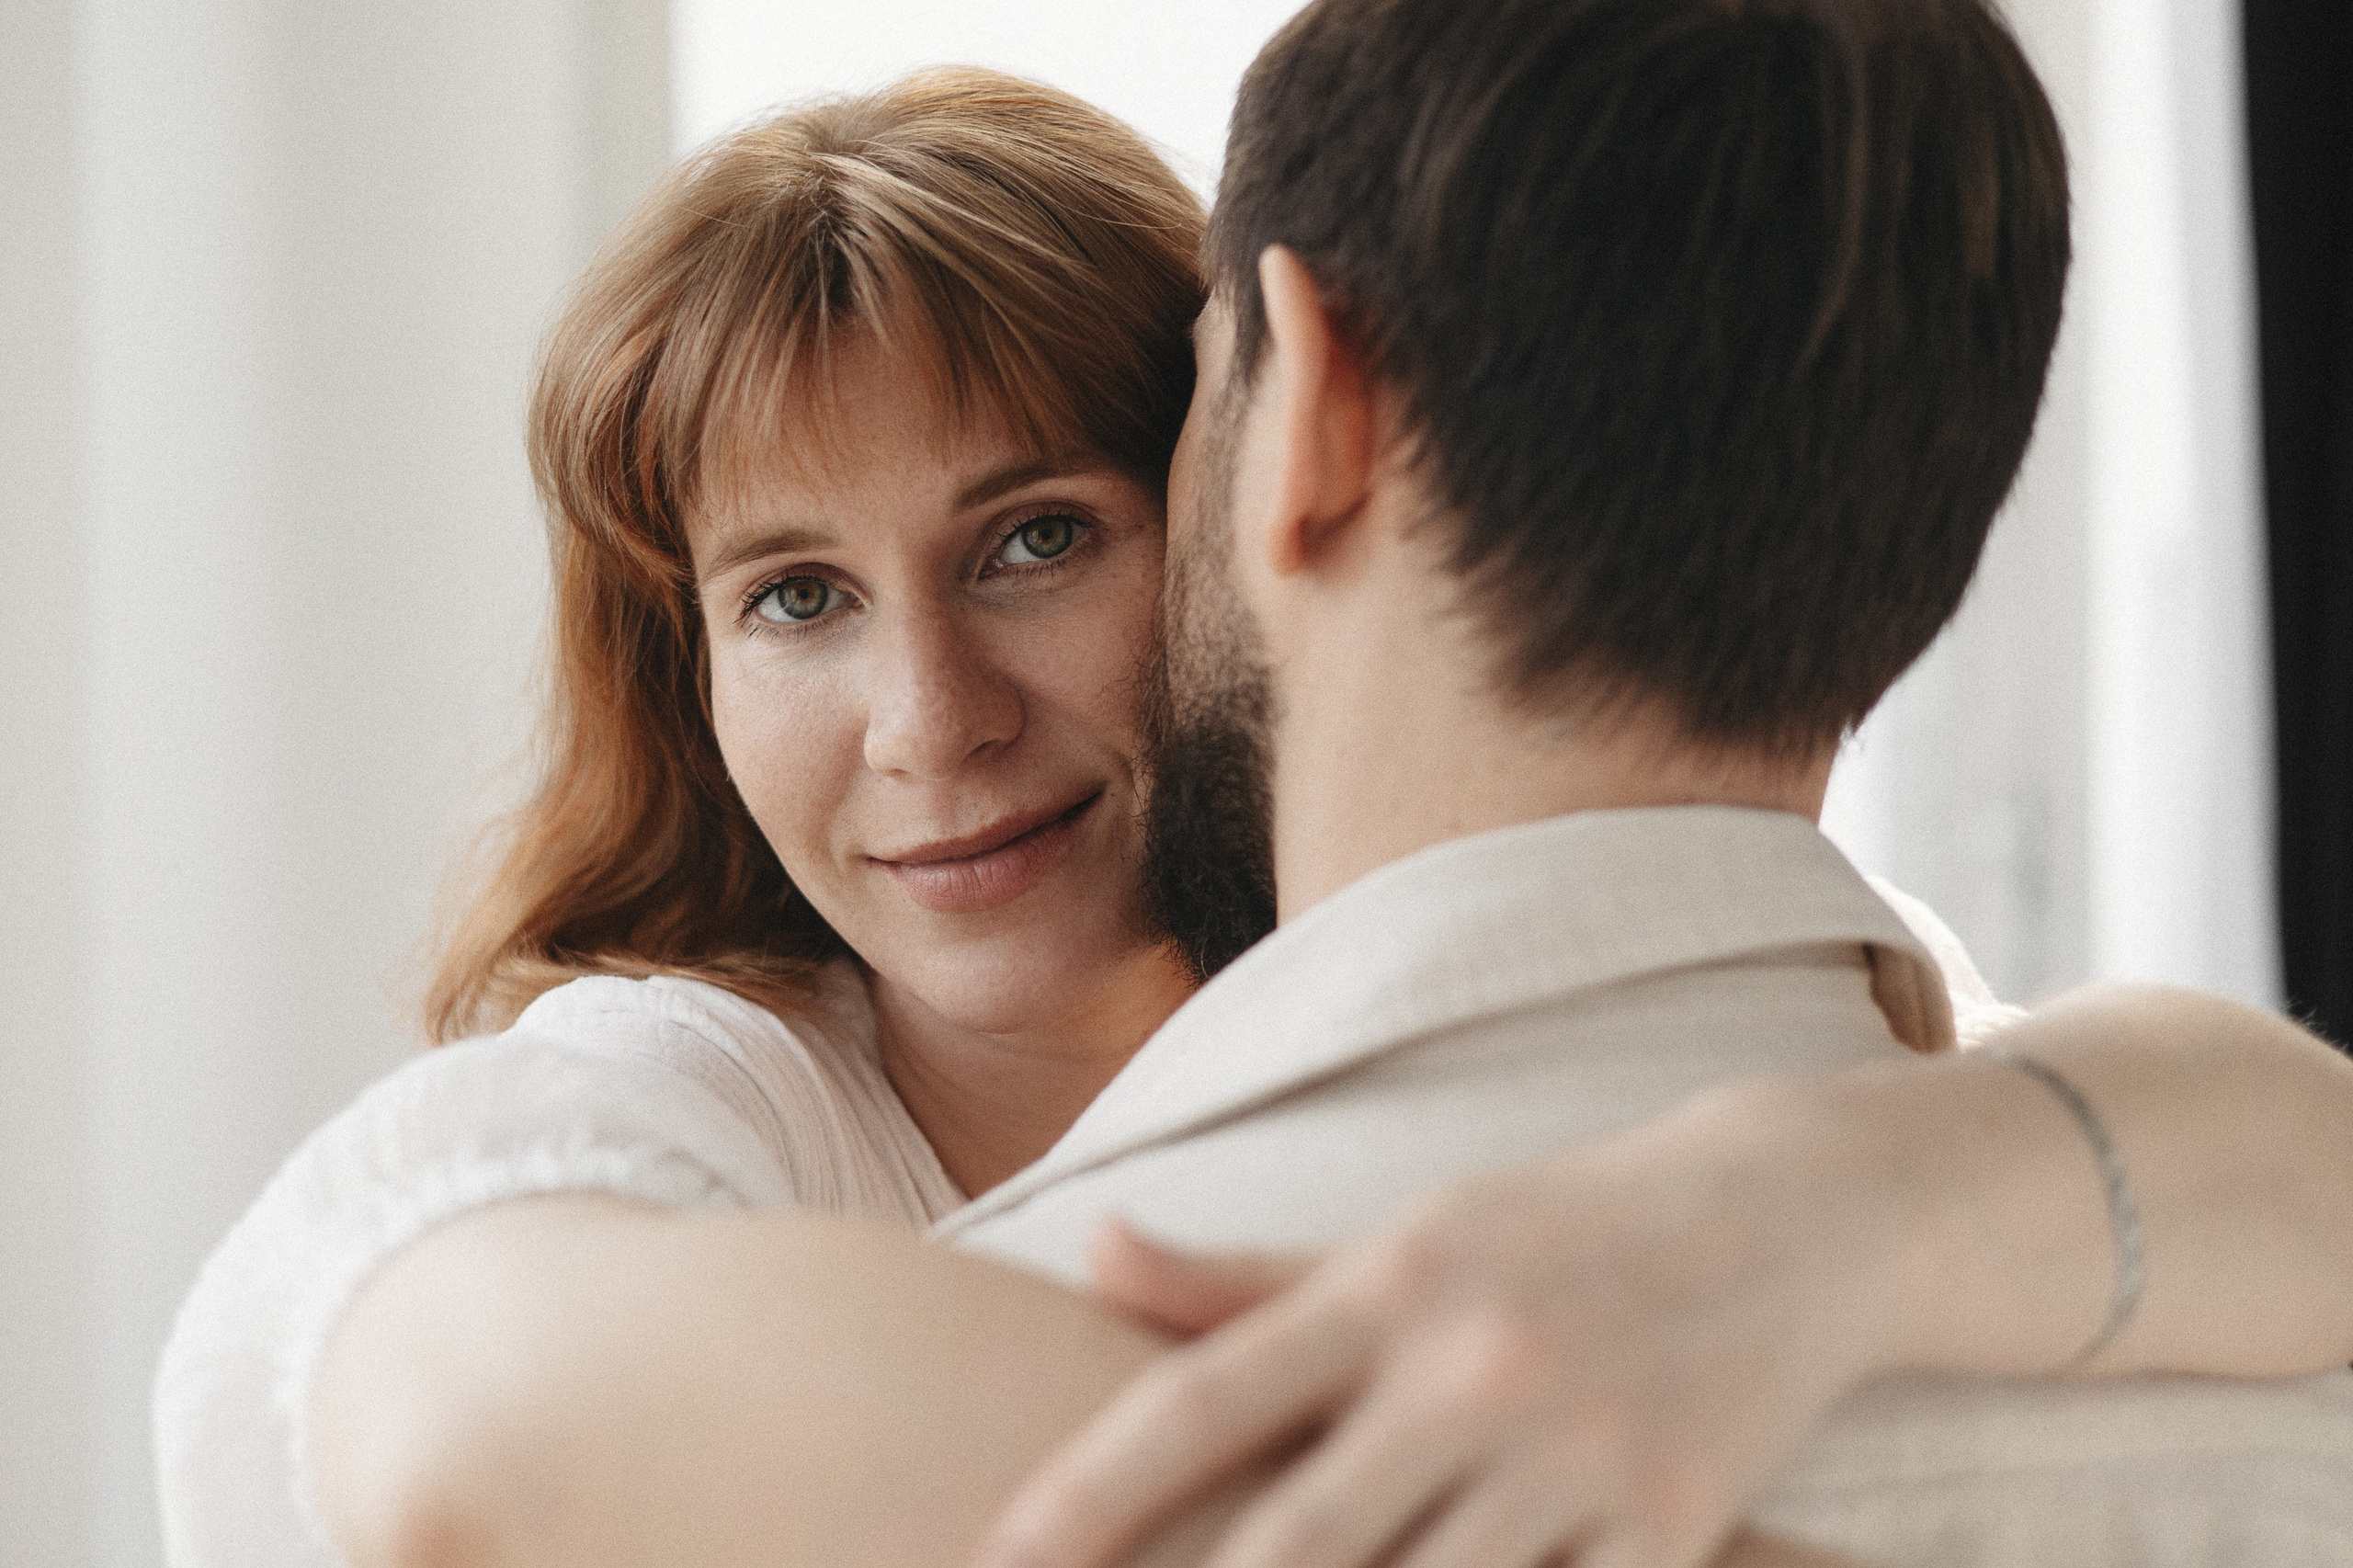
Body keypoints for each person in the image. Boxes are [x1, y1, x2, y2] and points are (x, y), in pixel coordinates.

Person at [154, 48, 2353, 1568]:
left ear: (1242, 478)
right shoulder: (701, 1097)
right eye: (796, 596)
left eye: (1034, 538)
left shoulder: (1695, 998)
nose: (927, 718)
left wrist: (1805, 1214)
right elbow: (436, 1390)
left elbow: (2257, 1132)